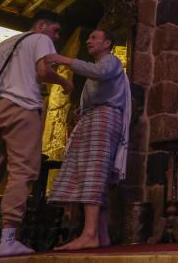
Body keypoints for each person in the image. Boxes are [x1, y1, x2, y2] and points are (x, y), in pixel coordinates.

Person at [0, 11, 73, 258]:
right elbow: (44, 71)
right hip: (20, 108)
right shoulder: (40, 39)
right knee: (23, 171)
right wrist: (64, 82)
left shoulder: (5, 43)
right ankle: (9, 239)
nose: (56, 36)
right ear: (42, 25)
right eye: (55, 30)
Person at [45, 29, 131, 251]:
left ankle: (90, 234)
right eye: (89, 37)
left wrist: (64, 59)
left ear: (107, 43)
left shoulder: (110, 61)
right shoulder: (100, 67)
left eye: (94, 38)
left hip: (103, 118)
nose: (88, 41)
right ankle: (101, 235)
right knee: (92, 174)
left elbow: (98, 72)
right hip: (95, 117)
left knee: (93, 172)